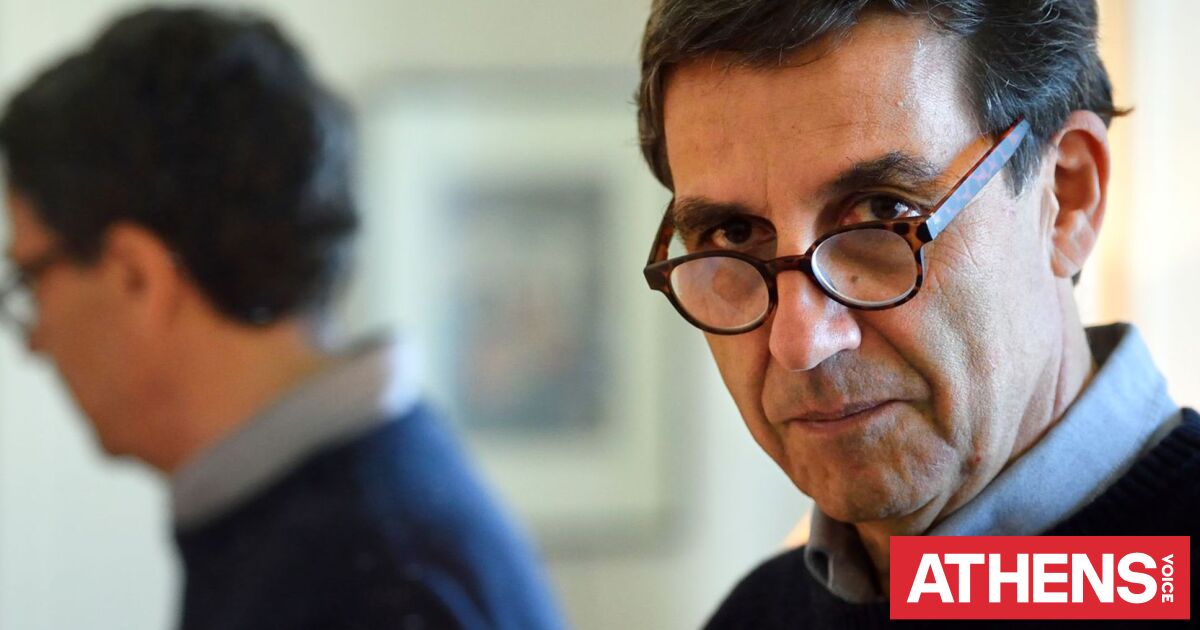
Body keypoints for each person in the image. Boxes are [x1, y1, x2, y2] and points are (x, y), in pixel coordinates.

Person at [635, 0, 1199, 627]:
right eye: (734, 233)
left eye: (883, 211)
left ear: (1066, 198)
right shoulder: (757, 616)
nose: (799, 343)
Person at [0, 7, 562, 630]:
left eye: (30, 279)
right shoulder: (348, 524)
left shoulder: (375, 579)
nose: (33, 340)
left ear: (136, 275)